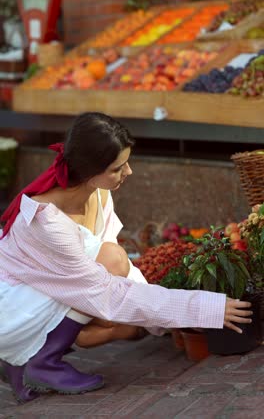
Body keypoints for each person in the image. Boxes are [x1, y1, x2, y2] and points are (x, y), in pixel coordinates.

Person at [0, 112, 252, 404]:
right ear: (89, 170)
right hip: (10, 310)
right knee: (113, 265)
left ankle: (25, 359)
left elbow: (118, 277)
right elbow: (105, 288)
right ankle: (41, 361)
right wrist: (202, 308)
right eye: (118, 167)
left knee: (129, 322)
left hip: (49, 293)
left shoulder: (96, 192)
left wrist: (165, 323)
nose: (129, 172)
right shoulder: (47, 222)